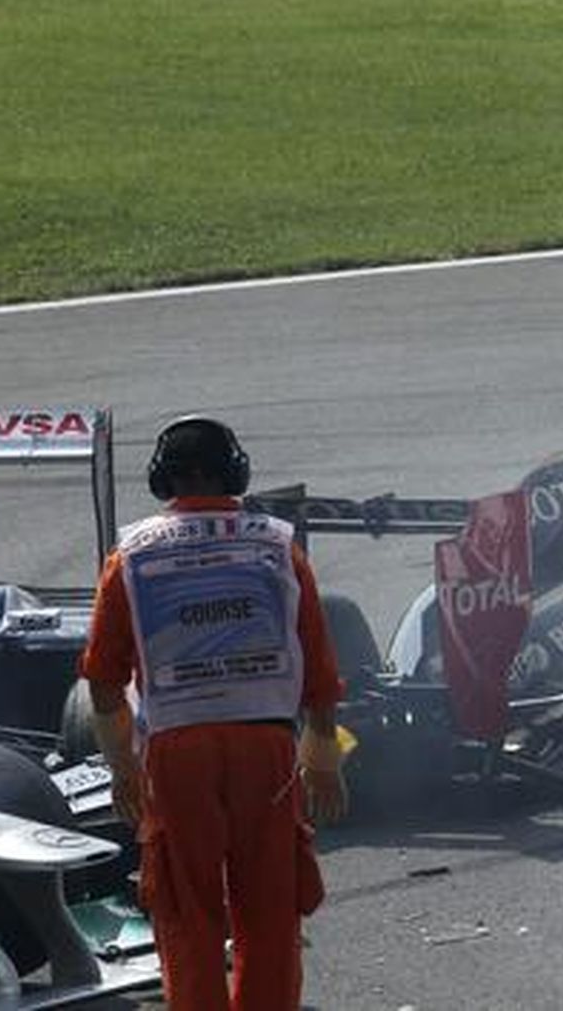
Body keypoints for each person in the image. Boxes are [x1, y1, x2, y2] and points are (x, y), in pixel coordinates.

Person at [80, 417, 347, 1010]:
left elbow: (102, 682)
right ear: (235, 470)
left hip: (177, 752)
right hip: (267, 749)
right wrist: (324, 760)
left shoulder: (130, 556)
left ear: (161, 476)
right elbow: (320, 671)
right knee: (271, 908)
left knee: (185, 909)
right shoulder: (278, 546)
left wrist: (123, 770)